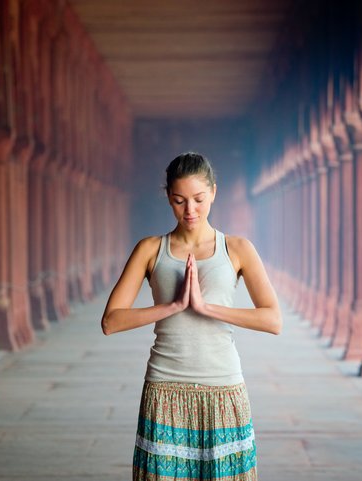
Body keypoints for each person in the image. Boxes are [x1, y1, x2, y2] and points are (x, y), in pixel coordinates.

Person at [101, 152, 282, 481]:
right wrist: (172, 307)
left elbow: (273, 320)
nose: (190, 210)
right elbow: (111, 321)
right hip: (165, 386)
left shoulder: (238, 248)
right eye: (179, 200)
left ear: (214, 192)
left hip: (223, 386)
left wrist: (206, 308)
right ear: (168, 198)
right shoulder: (151, 249)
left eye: (199, 199)